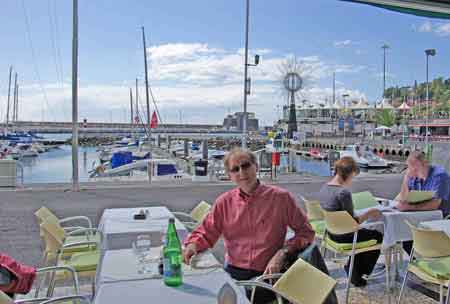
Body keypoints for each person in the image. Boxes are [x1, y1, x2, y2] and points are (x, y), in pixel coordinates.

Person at [182, 148, 336, 304]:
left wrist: (282, 253)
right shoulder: (224, 202)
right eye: (235, 169)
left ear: (256, 166)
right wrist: (192, 246)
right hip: (234, 273)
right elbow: (206, 232)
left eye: (245, 165)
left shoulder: (280, 198)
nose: (242, 172)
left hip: (268, 277)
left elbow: (306, 232)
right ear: (230, 176)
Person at [318, 156, 383, 287]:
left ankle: (353, 270)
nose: (352, 181)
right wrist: (370, 213)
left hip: (331, 234)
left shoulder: (324, 188)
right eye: (353, 177)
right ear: (348, 174)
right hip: (345, 236)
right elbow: (352, 223)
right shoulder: (343, 193)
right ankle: (357, 274)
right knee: (377, 236)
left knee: (364, 235)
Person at [396, 150, 450, 254]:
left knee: (410, 236)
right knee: (405, 234)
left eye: (416, 168)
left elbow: (435, 204)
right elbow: (403, 199)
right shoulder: (415, 176)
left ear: (425, 163)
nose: (414, 171)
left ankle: (424, 260)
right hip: (421, 218)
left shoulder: (439, 175)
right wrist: (406, 178)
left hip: (441, 219)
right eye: (411, 168)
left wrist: (409, 207)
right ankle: (419, 261)